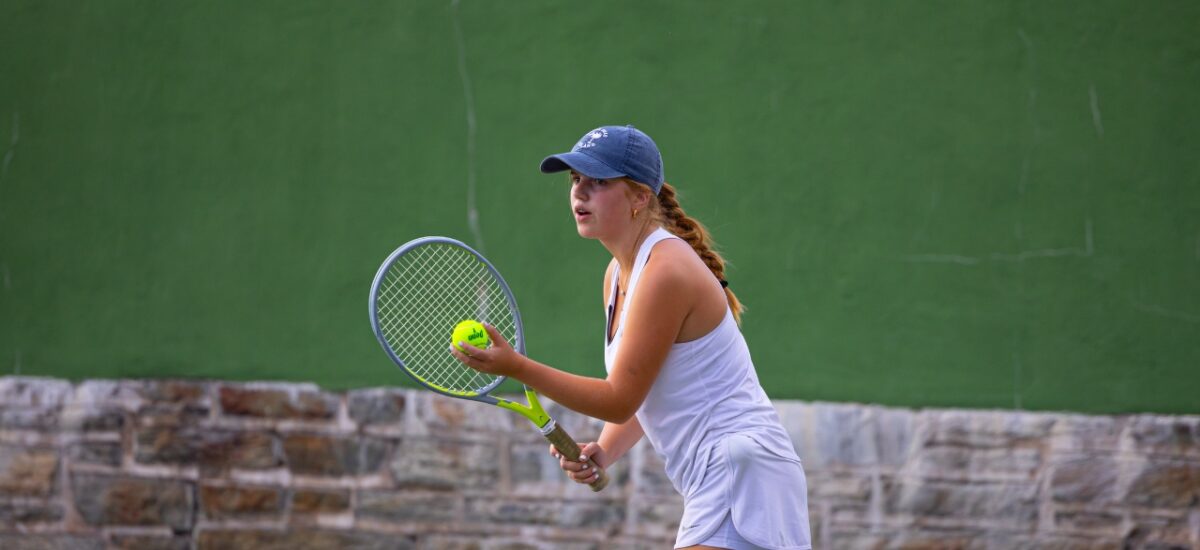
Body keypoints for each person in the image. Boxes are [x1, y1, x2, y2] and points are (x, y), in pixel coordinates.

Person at [450, 125, 810, 550]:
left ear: (640, 196)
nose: (580, 192)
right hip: (729, 473)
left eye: (598, 181)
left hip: (740, 469)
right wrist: (604, 449)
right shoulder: (618, 275)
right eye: (575, 180)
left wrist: (518, 368)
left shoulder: (666, 270)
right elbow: (648, 389)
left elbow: (620, 397)